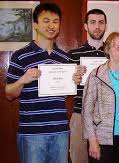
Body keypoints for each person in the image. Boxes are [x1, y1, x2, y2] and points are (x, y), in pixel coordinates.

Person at [5, 3, 83, 163]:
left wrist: (73, 82)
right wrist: (22, 80)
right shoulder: (20, 56)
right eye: (46, 20)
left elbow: (65, 93)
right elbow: (9, 94)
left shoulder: (64, 58)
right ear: (35, 24)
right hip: (32, 133)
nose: (51, 25)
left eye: (55, 21)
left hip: (60, 131)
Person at [82, 32, 119, 163]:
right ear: (108, 49)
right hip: (101, 139)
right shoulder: (96, 75)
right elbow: (87, 111)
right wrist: (92, 140)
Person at [68, 9, 107, 163]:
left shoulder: (112, 54)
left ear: (105, 25)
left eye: (101, 22)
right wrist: (73, 79)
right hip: (80, 115)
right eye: (93, 22)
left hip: (107, 118)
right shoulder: (73, 55)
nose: (97, 26)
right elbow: (66, 90)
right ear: (86, 26)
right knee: (79, 159)